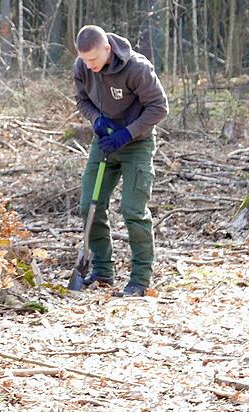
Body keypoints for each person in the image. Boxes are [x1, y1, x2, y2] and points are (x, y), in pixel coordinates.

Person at [72, 25, 169, 297]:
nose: (88, 65)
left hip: (136, 145)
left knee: (132, 210)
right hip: (104, 143)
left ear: (107, 49)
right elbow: (82, 101)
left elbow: (159, 107)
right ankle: (103, 271)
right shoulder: (82, 67)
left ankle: (140, 279)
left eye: (93, 59)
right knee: (89, 205)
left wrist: (127, 133)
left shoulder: (137, 68)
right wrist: (96, 119)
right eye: (84, 59)